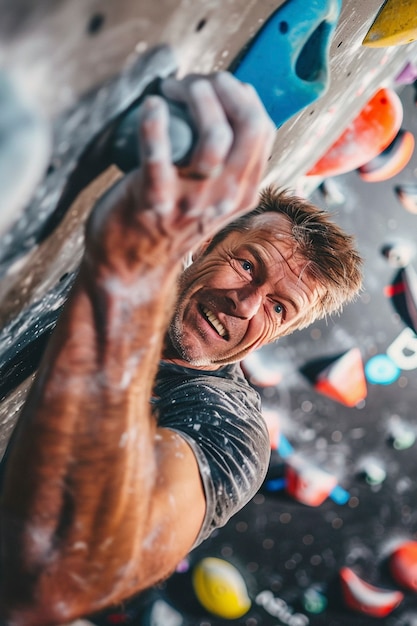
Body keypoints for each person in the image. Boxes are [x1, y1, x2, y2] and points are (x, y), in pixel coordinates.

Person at [0, 71, 362, 625]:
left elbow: (52, 580)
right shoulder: (121, 247)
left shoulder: (228, 429)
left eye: (277, 307)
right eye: (246, 265)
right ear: (209, 241)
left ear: (283, 333)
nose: (245, 304)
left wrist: (124, 273)